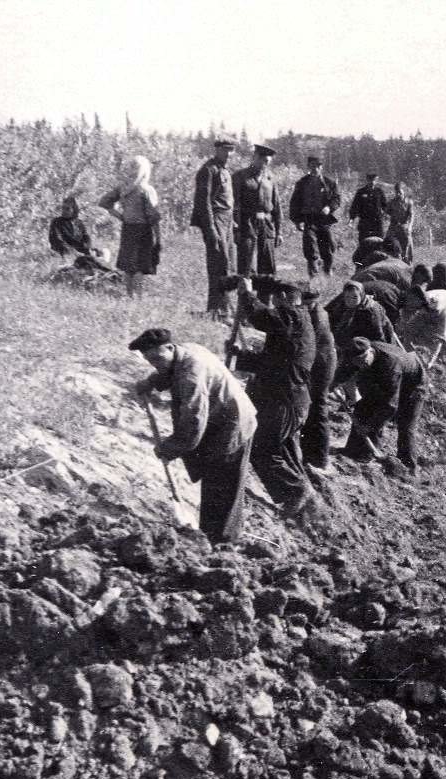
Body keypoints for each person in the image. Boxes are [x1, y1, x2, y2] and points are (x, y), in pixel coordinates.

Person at [129, 328, 257, 543]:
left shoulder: (191, 374)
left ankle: (223, 544)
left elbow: (194, 420)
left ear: (169, 347)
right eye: (149, 361)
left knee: (223, 485)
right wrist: (151, 382)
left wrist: (170, 448)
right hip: (220, 421)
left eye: (156, 358)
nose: (155, 364)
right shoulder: (185, 351)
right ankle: (211, 536)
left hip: (232, 425)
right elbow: (168, 370)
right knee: (213, 482)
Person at [231, 277, 316, 518]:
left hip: (284, 400)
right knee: (282, 451)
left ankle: (296, 493)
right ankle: (307, 507)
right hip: (289, 398)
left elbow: (261, 318)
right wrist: (241, 357)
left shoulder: (292, 316)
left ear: (285, 300)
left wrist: (247, 296)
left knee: (261, 448)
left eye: (276, 302)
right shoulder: (297, 323)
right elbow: (276, 361)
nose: (274, 306)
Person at [333, 336, 425, 470]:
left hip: (413, 386)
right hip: (384, 379)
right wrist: (326, 388)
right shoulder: (355, 355)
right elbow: (339, 376)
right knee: (362, 407)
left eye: (363, 360)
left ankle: (407, 467)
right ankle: (353, 451)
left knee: (406, 425)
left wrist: (369, 427)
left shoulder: (390, 364)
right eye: (357, 362)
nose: (361, 364)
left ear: (370, 351)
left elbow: (390, 405)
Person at [99, 156, 161, 297]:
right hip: (143, 230)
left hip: (128, 229)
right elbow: (153, 216)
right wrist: (158, 238)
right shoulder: (147, 190)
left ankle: (129, 296)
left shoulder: (123, 188)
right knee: (140, 266)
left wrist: (121, 216)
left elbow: (103, 202)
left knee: (128, 267)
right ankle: (138, 298)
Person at [190, 139, 237, 318]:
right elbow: (204, 203)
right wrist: (211, 230)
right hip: (215, 219)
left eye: (231, 150)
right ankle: (216, 310)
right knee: (218, 264)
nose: (229, 154)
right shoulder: (208, 170)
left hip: (227, 220)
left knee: (227, 265)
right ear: (217, 149)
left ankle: (223, 309)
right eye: (226, 150)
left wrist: (231, 222)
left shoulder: (224, 170)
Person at [298, 288, 338, 475]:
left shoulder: (318, 318)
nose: (304, 306)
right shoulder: (315, 312)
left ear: (315, 300)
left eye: (308, 303)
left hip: (321, 366)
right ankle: (308, 456)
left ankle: (320, 459)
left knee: (318, 410)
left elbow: (305, 342)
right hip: (319, 363)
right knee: (312, 409)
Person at [398, 285, 446, 390]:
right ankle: (409, 361)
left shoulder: (443, 312)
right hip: (440, 301)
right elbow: (408, 325)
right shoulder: (424, 298)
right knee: (409, 330)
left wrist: (430, 361)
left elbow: (440, 338)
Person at [233, 143, 283, 277]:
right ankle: (244, 297)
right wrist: (236, 229)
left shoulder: (270, 179)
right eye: (262, 160)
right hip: (247, 224)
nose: (264, 164)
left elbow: (277, 206)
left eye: (267, 162)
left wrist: (279, 232)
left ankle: (264, 298)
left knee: (267, 268)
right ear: (254, 157)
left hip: (266, 226)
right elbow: (235, 205)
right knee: (246, 266)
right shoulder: (240, 176)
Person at [290, 154, 341, 279]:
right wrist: (297, 220)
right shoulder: (302, 183)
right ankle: (312, 276)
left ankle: (328, 271)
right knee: (310, 246)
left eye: (318, 166)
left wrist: (329, 207)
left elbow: (336, 199)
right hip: (309, 219)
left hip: (324, 220)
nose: (315, 168)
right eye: (313, 166)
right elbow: (294, 202)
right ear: (309, 166)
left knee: (328, 246)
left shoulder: (329, 183)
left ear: (321, 167)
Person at [326, 280, 398, 354]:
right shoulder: (346, 305)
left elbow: (379, 337)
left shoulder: (371, 311)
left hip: (376, 343)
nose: (350, 301)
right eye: (347, 297)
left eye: (355, 297)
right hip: (359, 337)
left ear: (361, 295)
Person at [349, 173, 388, 244]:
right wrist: (351, 219)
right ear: (367, 180)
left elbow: (385, 205)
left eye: (374, 180)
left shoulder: (379, 192)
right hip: (365, 222)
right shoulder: (360, 192)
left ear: (376, 181)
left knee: (379, 242)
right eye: (370, 180)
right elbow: (354, 206)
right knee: (364, 243)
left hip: (377, 222)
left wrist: (383, 213)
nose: (372, 182)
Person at [386, 183, 414, 263]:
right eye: (397, 192)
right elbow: (386, 213)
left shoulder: (409, 202)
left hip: (404, 227)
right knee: (387, 242)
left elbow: (411, 216)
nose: (398, 194)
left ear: (404, 192)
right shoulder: (391, 202)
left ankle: (407, 262)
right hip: (394, 227)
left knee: (408, 246)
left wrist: (410, 226)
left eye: (400, 193)